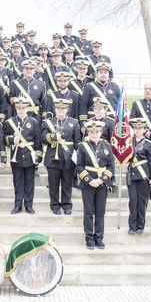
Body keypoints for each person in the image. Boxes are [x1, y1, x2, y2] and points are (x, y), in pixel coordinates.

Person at [76, 120, 115, 249]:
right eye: (92, 132)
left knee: (100, 212)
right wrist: (89, 180)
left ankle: (99, 237)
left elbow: (111, 167)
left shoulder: (106, 146)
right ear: (88, 132)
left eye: (97, 132)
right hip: (88, 184)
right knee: (88, 212)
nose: (94, 134)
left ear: (101, 132)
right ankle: (89, 238)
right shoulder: (82, 146)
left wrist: (101, 180)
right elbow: (79, 167)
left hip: (102, 184)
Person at [42, 98, 81, 215]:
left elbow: (77, 141)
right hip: (52, 157)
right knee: (53, 183)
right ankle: (54, 205)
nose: (60, 110)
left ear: (67, 109)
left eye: (63, 108)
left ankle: (67, 204)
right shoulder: (48, 122)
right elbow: (43, 138)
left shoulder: (73, 122)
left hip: (68, 157)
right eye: (58, 108)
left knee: (67, 182)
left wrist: (77, 156)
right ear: (55, 108)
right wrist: (52, 136)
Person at [4, 97, 42, 215]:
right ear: (16, 108)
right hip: (17, 155)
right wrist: (11, 139)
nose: (21, 110)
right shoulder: (10, 122)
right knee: (18, 182)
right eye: (19, 108)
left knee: (29, 182)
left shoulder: (34, 122)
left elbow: (38, 141)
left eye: (23, 108)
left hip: (29, 155)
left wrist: (38, 156)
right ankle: (17, 205)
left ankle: (29, 205)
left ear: (27, 108)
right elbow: (4, 138)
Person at [127, 118, 151, 234]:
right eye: (135, 128)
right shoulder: (128, 142)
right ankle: (132, 225)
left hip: (144, 175)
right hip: (132, 175)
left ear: (144, 129)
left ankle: (140, 225)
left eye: (140, 128)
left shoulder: (149, 144)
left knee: (142, 201)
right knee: (133, 201)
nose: (138, 130)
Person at [9, 59, 47, 125]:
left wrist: (43, 117)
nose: (28, 70)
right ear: (23, 70)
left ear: (34, 71)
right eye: (26, 68)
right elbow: (9, 98)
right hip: (19, 115)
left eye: (31, 69)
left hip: (35, 115)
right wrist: (14, 99)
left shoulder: (41, 84)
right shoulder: (15, 84)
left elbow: (44, 102)